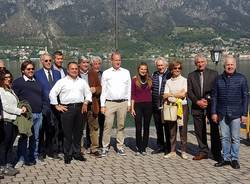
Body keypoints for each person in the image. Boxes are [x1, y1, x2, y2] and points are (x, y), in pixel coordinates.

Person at [49, 62, 92, 164]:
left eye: (76, 69)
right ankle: (67, 154)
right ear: (67, 70)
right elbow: (52, 93)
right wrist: (56, 105)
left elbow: (88, 93)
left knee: (78, 132)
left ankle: (77, 153)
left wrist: (86, 102)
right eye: (72, 69)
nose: (74, 70)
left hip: (80, 108)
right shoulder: (61, 82)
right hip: (67, 109)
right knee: (67, 133)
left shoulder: (82, 82)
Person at [211, 55, 248, 169]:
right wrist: (213, 112)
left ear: (235, 65)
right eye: (228, 64)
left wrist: (244, 114)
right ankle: (226, 158)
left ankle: (234, 159)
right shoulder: (218, 79)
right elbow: (214, 97)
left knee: (235, 138)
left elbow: (245, 97)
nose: (230, 66)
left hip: (236, 113)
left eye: (232, 64)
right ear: (224, 66)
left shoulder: (241, 78)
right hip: (222, 113)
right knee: (225, 137)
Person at [187, 54, 221, 161]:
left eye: (202, 62)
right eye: (198, 62)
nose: (200, 64)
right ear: (195, 64)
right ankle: (203, 151)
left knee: (214, 130)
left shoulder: (214, 74)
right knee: (199, 130)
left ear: (206, 62)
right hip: (197, 107)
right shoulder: (191, 75)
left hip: (211, 106)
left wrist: (207, 100)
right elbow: (190, 91)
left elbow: (216, 90)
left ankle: (216, 153)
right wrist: (197, 101)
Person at [12, 60, 43, 167]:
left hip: (38, 114)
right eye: (28, 69)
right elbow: (14, 99)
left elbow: (41, 96)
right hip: (25, 116)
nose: (31, 71)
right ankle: (21, 158)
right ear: (23, 70)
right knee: (24, 137)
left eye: (32, 69)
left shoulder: (37, 81)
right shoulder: (17, 82)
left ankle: (33, 157)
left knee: (36, 138)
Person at [100, 51, 131, 157]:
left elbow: (129, 89)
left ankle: (120, 146)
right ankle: (105, 147)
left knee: (121, 126)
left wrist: (129, 104)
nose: (118, 62)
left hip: (123, 102)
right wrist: (102, 105)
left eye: (119, 60)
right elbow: (103, 90)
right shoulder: (106, 73)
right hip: (109, 103)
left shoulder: (126, 72)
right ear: (111, 61)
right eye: (116, 60)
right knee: (107, 126)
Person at [0, 70, 27, 176]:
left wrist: (22, 106)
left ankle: (8, 164)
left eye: (10, 77)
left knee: (10, 144)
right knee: (4, 145)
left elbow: (15, 103)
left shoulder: (10, 90)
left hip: (13, 120)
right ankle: (2, 166)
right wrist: (19, 111)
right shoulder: (1, 91)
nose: (9, 79)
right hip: (6, 121)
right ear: (1, 79)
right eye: (6, 77)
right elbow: (5, 106)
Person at [35, 53, 61, 161]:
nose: (48, 62)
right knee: (42, 130)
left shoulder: (57, 73)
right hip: (43, 106)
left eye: (50, 60)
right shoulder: (37, 74)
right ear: (42, 62)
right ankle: (41, 152)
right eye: (46, 61)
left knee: (54, 130)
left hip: (55, 106)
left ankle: (53, 151)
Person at [163, 60, 189, 159]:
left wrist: (171, 94)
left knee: (183, 129)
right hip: (171, 107)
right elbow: (165, 95)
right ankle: (172, 151)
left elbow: (183, 95)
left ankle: (183, 151)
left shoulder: (184, 80)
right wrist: (176, 94)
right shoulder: (168, 82)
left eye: (179, 68)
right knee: (172, 130)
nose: (177, 70)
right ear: (171, 69)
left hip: (182, 107)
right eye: (175, 68)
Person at [78, 56, 102, 157]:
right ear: (79, 64)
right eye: (83, 62)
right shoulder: (75, 73)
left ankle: (94, 148)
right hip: (79, 105)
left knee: (94, 128)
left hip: (92, 105)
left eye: (87, 62)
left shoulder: (93, 73)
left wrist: (95, 89)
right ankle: (79, 148)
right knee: (79, 128)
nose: (86, 64)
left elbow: (100, 88)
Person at [131, 62, 152, 155]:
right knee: (138, 127)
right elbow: (132, 95)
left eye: (145, 69)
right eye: (141, 69)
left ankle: (144, 148)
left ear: (147, 70)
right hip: (138, 105)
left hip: (148, 105)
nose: (143, 71)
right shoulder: (134, 80)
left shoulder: (150, 80)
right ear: (138, 70)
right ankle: (139, 148)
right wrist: (132, 108)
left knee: (146, 127)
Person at [151, 57, 171, 155]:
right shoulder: (154, 74)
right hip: (155, 104)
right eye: (158, 65)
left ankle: (169, 147)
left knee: (167, 127)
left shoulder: (170, 74)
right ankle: (160, 146)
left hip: (166, 104)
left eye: (162, 65)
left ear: (165, 65)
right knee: (158, 126)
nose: (160, 67)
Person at [91, 56, 104, 148]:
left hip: (102, 101)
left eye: (99, 64)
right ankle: (90, 142)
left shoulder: (103, 74)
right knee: (91, 122)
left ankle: (101, 142)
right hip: (92, 101)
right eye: (95, 64)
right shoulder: (89, 74)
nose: (97, 65)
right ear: (92, 64)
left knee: (102, 122)